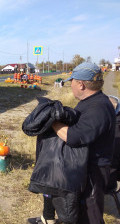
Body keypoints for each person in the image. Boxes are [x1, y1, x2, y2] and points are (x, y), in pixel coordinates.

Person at [52, 62, 116, 224]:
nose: (70, 85)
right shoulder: (92, 102)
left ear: (81, 84)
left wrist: (52, 123)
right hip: (85, 167)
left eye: (72, 82)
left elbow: (74, 137)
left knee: (90, 215)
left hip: (94, 170)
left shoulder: (98, 107)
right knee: (80, 212)